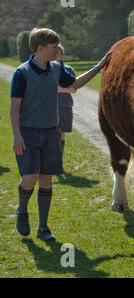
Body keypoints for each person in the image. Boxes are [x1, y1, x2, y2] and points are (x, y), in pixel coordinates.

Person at [10, 28, 110, 242]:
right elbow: (14, 106)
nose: (58, 50)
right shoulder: (22, 72)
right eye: (53, 46)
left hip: (51, 133)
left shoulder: (57, 68)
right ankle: (22, 210)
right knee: (30, 178)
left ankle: (43, 228)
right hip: (28, 133)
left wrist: (98, 66)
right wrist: (17, 135)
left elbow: (74, 84)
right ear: (40, 48)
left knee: (46, 180)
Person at [55, 44, 76, 160]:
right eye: (54, 53)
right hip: (48, 107)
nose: (55, 55)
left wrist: (60, 89)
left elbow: (74, 89)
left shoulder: (68, 70)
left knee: (61, 134)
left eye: (57, 53)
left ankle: (59, 158)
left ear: (61, 54)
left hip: (64, 105)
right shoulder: (45, 68)